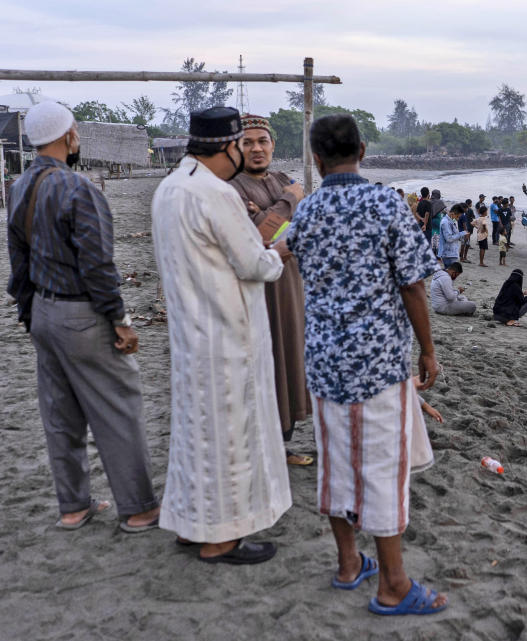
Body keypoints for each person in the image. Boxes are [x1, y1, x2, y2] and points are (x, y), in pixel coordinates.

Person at [286, 114, 448, 615]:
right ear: (362, 148)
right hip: (377, 361)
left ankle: (349, 563)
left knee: (336, 463)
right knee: (383, 468)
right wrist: (427, 349)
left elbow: (282, 255)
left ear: (316, 157)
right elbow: (414, 285)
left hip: (324, 360)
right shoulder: (385, 203)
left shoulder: (307, 209)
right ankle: (394, 585)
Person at [6, 101, 160, 532]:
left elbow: (17, 261)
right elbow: (97, 266)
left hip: (42, 313)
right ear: (68, 136)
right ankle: (140, 509)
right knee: (118, 409)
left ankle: (73, 508)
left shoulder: (18, 187)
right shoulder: (79, 189)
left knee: (60, 416)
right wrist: (120, 320)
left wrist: (28, 314)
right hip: (82, 314)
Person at [151, 106, 291, 564]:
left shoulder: (171, 187)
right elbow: (257, 263)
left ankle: (192, 525)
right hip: (226, 337)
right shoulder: (216, 195)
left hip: (190, 335)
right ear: (229, 147)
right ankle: (221, 539)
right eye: (242, 144)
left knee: (194, 436)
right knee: (231, 440)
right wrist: (283, 249)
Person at [230, 114, 313, 467]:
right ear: (236, 147)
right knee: (265, 362)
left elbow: (305, 228)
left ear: (272, 144)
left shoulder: (283, 179)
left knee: (292, 357)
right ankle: (264, 446)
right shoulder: (231, 187)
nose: (256, 148)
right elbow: (259, 239)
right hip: (256, 290)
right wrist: (284, 206)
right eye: (247, 142)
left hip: (290, 283)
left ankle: (283, 443)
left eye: (262, 141)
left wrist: (266, 214)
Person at [438, 203, 467, 268]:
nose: (458, 219)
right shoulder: (445, 222)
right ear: (453, 213)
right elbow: (449, 238)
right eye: (457, 217)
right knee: (450, 274)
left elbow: (453, 235)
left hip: (451, 253)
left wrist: (461, 236)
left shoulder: (450, 221)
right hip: (448, 254)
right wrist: (461, 234)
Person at [429, 189, 446, 255]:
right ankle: (438, 252)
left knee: (432, 234)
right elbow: (444, 211)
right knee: (438, 234)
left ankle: (432, 250)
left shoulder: (429, 201)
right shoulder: (440, 202)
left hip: (431, 220)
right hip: (438, 219)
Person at [459, 199, 474, 263]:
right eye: (466, 208)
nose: (467, 209)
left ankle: (463, 257)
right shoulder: (463, 215)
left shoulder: (460, 215)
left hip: (462, 231)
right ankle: (462, 257)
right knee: (464, 245)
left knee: (466, 244)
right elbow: (464, 225)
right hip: (464, 232)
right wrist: (467, 233)